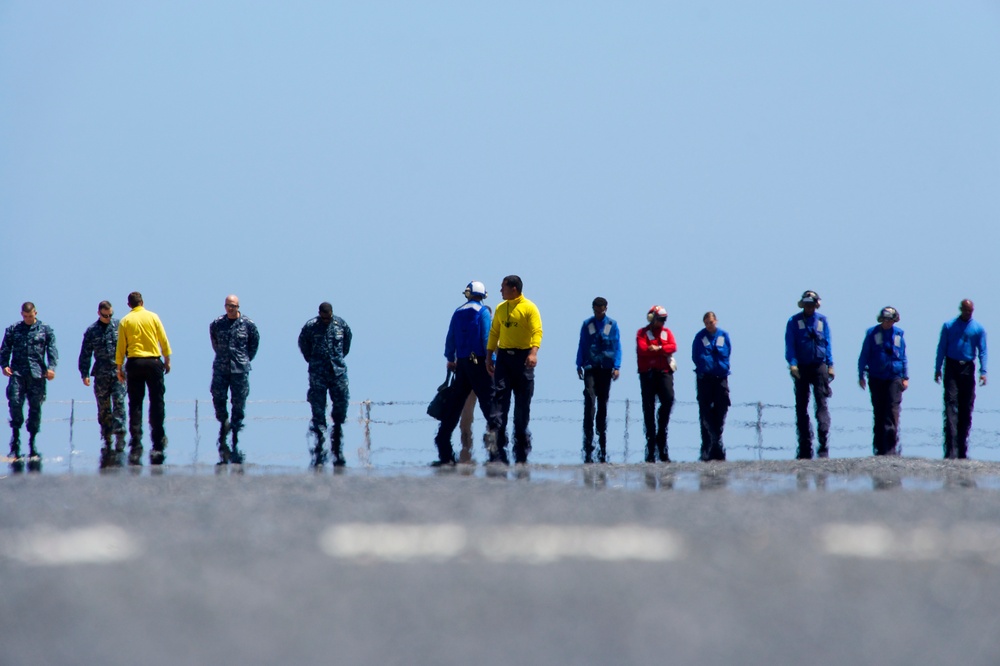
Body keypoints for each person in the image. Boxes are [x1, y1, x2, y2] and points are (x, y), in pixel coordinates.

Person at [432, 281, 497, 466]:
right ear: (483, 295)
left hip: (461, 364)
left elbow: (450, 337)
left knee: (454, 406)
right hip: (479, 364)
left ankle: (443, 443)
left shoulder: (457, 312)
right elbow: (486, 338)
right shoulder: (483, 312)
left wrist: (450, 358)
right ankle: (496, 448)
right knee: (490, 405)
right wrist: (491, 362)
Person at [485, 275, 543, 464]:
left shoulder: (529, 307)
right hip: (503, 358)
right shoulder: (501, 308)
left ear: (514, 289)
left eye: (503, 287)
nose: (500, 290)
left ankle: (521, 440)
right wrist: (489, 355)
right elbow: (494, 332)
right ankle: (497, 438)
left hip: (523, 358)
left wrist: (533, 353)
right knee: (499, 396)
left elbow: (537, 331)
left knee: (522, 401)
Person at [115, 292, 172, 465]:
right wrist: (167, 359)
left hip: (134, 362)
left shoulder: (125, 321)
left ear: (129, 304)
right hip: (153, 362)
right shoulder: (153, 317)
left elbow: (121, 346)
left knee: (135, 402)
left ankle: (136, 437)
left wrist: (119, 367)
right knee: (157, 401)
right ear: (142, 302)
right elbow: (163, 339)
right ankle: (158, 436)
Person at [1, 302, 57, 471]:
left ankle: (32, 440)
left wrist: (51, 367)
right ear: (21, 314)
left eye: (30, 316)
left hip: (37, 375)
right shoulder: (13, 329)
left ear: (35, 313)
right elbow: (4, 348)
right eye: (25, 316)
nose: (27, 318)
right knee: (15, 403)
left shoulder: (45, 329)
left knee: (35, 407)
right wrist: (4, 365)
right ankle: (15, 436)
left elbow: (52, 349)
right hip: (17, 373)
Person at [298, 302, 352, 466]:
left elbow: (346, 345)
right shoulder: (311, 326)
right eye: (324, 317)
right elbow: (303, 344)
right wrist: (313, 361)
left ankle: (337, 445)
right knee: (318, 409)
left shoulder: (340, 325)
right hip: (318, 373)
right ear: (319, 313)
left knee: (341, 405)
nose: (326, 320)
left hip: (337, 372)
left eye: (328, 317)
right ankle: (319, 448)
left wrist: (338, 359)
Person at [209, 294, 260, 465]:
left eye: (233, 306)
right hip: (221, 368)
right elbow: (215, 343)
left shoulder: (248, 325)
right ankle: (223, 424)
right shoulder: (217, 324)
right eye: (228, 305)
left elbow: (254, 345)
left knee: (239, 401)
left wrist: (244, 359)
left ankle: (236, 430)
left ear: (238, 307)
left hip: (240, 369)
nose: (230, 308)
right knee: (218, 397)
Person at [934, 299, 987, 459]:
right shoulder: (949, 326)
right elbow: (941, 347)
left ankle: (962, 448)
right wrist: (937, 369)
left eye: (970, 311)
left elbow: (983, 350)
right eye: (965, 310)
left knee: (966, 406)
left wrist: (983, 372)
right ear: (960, 310)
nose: (967, 313)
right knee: (951, 403)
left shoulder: (978, 329)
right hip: (951, 366)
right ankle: (950, 448)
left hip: (968, 367)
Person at [785, 290, 834, 459]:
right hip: (801, 369)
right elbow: (790, 345)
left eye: (812, 305)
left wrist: (830, 365)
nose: (809, 307)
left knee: (821, 405)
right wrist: (792, 365)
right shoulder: (793, 321)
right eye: (807, 304)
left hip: (819, 367)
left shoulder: (822, 321)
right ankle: (805, 444)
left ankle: (823, 442)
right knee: (801, 407)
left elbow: (827, 343)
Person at [78, 300, 126, 466]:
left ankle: (120, 438)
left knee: (119, 404)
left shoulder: (120, 326)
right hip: (101, 374)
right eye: (105, 315)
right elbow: (85, 353)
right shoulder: (92, 331)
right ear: (99, 313)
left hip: (119, 373)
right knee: (104, 407)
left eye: (110, 315)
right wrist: (84, 373)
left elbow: (128, 347)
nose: (108, 318)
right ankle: (106, 438)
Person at [575, 296, 621, 463]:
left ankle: (601, 435)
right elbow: (582, 343)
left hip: (606, 368)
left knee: (603, 401)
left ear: (606, 308)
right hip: (590, 367)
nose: (599, 312)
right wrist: (578, 364)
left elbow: (617, 346)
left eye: (601, 309)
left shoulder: (612, 325)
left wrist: (617, 367)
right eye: (596, 309)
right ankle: (588, 435)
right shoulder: (587, 324)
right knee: (589, 397)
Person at [858, 307, 908, 456]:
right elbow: (864, 355)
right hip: (876, 378)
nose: (887, 322)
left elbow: (903, 357)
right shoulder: (872, 334)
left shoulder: (899, 335)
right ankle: (879, 448)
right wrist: (861, 375)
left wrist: (905, 377)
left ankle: (891, 448)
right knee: (879, 412)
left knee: (892, 412)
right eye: (885, 320)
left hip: (894, 378)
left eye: (890, 320)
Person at [636, 305, 677, 463]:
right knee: (648, 407)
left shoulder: (667, 333)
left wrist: (658, 348)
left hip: (664, 373)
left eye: (664, 319)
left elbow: (673, 347)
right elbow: (643, 349)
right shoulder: (642, 333)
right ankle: (651, 443)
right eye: (660, 319)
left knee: (668, 400)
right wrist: (661, 350)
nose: (662, 322)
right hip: (647, 375)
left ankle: (661, 435)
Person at [691, 311, 731, 461]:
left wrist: (722, 367)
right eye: (707, 323)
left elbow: (727, 352)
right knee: (705, 410)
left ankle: (717, 436)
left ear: (716, 321)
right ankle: (708, 444)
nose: (709, 325)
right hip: (705, 378)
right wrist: (706, 366)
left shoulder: (723, 336)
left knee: (722, 406)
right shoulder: (700, 337)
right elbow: (696, 356)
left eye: (711, 322)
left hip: (720, 377)